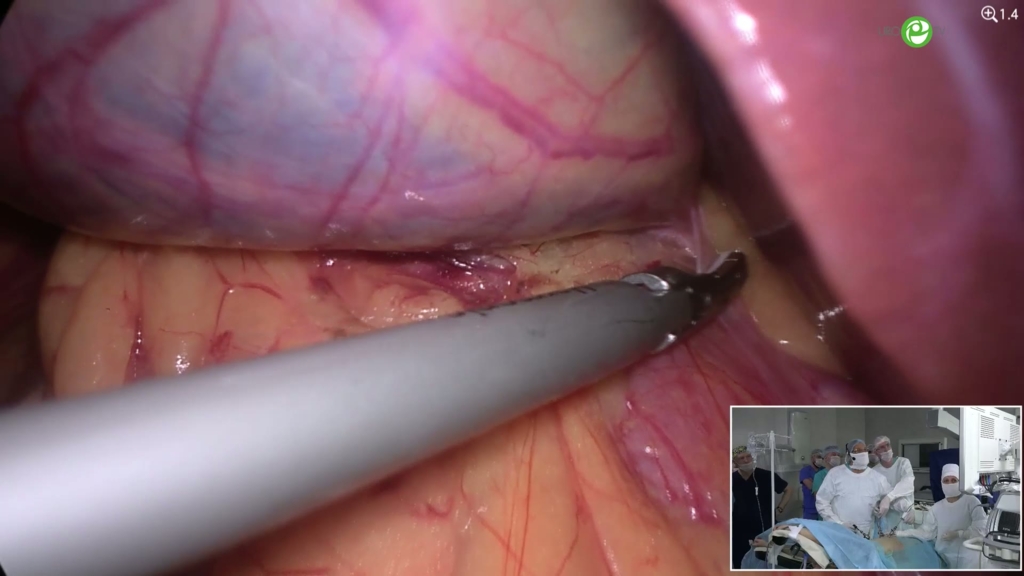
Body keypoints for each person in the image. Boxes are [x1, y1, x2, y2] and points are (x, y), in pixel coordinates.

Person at [897, 464, 988, 568]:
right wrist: (901, 533)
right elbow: (925, 533)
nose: (950, 483)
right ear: (941, 483)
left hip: (969, 558)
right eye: (946, 480)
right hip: (945, 557)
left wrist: (959, 534)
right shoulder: (937, 508)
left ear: (961, 482)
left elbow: (981, 530)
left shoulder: (971, 502)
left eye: (954, 480)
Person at [815, 438, 892, 537]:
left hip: (866, 533)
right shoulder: (835, 474)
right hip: (838, 532)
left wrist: (883, 503)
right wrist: (838, 523)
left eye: (865, 450)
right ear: (850, 454)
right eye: (858, 450)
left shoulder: (877, 477)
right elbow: (822, 502)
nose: (863, 453)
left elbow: (892, 497)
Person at [731, 445, 793, 568]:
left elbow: (788, 489)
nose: (746, 460)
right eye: (741, 458)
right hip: (740, 529)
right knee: (740, 560)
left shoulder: (766, 475)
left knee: (765, 560)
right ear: (735, 462)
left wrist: (780, 508)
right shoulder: (732, 479)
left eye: (748, 456)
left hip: (765, 526)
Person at [870, 435, 916, 521]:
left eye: (887, 445)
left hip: (906, 513)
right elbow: (875, 494)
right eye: (882, 447)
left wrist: (889, 497)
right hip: (885, 517)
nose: (886, 449)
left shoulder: (903, 463)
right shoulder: (874, 471)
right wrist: (875, 505)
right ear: (876, 452)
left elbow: (907, 484)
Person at [800, 448, 825, 519]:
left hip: (823, 508)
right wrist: (821, 483)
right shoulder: (805, 471)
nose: (821, 459)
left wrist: (814, 482)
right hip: (810, 509)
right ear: (812, 458)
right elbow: (811, 486)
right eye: (818, 457)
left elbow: (828, 487)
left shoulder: (824, 470)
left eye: (822, 458)